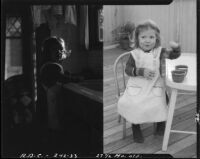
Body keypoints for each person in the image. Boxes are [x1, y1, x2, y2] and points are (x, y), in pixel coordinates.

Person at [117, 19, 181, 143]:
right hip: (138, 85)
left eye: (151, 37)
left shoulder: (160, 52)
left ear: (156, 39)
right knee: (133, 104)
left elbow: (173, 57)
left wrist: (176, 49)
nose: (147, 40)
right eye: (143, 37)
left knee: (161, 101)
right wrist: (140, 71)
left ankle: (160, 125)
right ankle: (135, 127)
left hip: (154, 85)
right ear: (137, 39)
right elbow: (128, 69)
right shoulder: (135, 54)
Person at [37, 36, 82, 153]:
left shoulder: (51, 65)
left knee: (54, 126)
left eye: (60, 50)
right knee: (55, 126)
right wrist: (77, 78)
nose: (58, 53)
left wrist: (66, 74)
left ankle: (53, 148)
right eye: (54, 50)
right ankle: (55, 149)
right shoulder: (51, 66)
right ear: (47, 52)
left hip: (53, 101)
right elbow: (62, 78)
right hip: (52, 103)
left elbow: (57, 77)